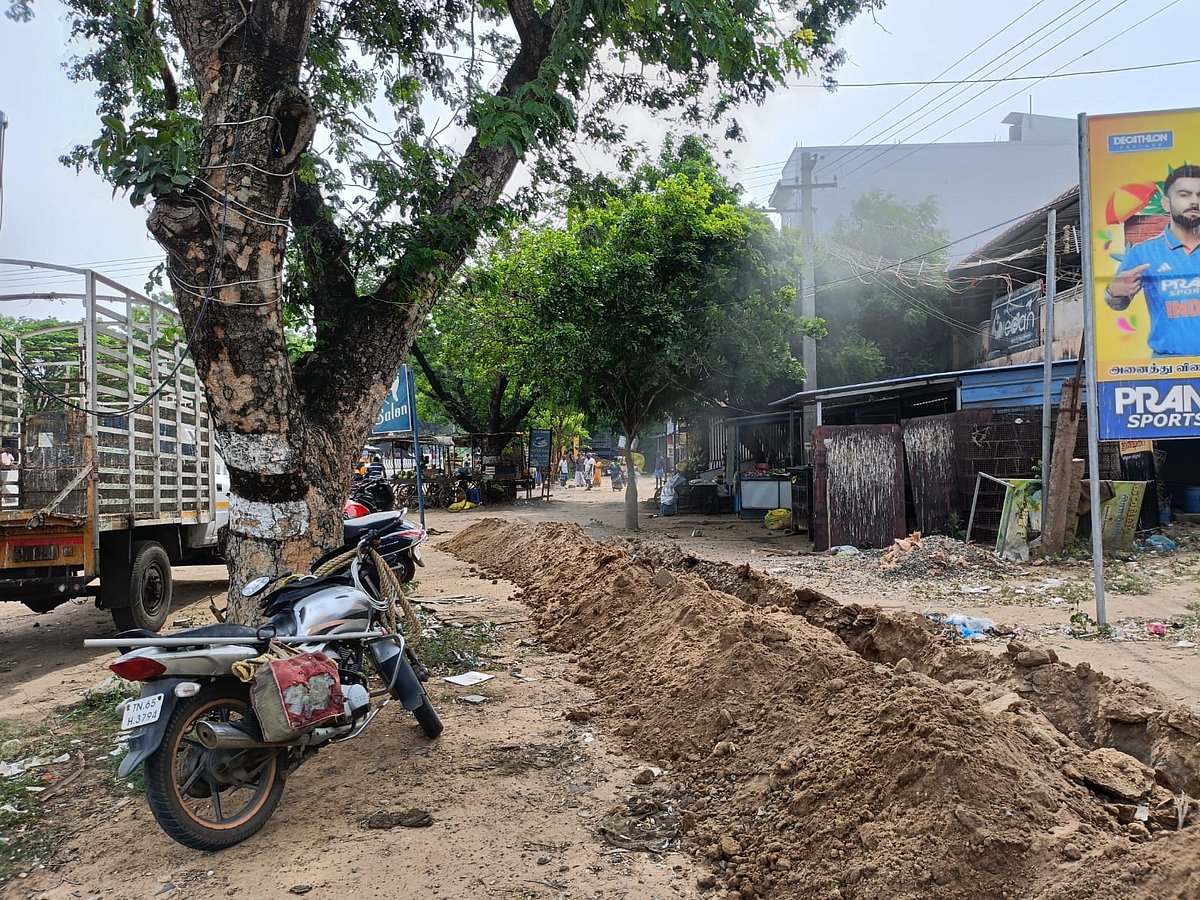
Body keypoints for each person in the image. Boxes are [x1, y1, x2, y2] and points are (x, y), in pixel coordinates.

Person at [1105, 165, 1200, 356]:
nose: (1194, 201)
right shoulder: (1144, 252)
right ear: (1166, 203)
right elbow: (1118, 303)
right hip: (1168, 371)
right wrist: (1114, 292)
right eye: (1184, 194)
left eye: (1199, 195)